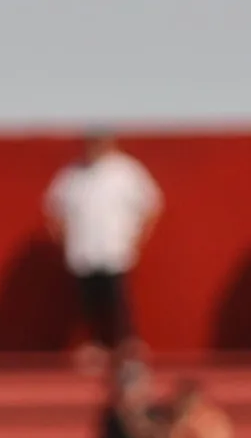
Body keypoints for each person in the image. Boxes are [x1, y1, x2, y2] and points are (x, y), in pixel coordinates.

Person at [50, 134, 167, 361]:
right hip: (82, 250)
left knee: (118, 298)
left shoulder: (126, 171)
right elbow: (55, 209)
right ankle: (96, 345)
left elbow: (151, 205)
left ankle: (125, 345)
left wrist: (138, 239)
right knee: (88, 302)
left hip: (114, 247)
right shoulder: (72, 174)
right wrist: (63, 239)